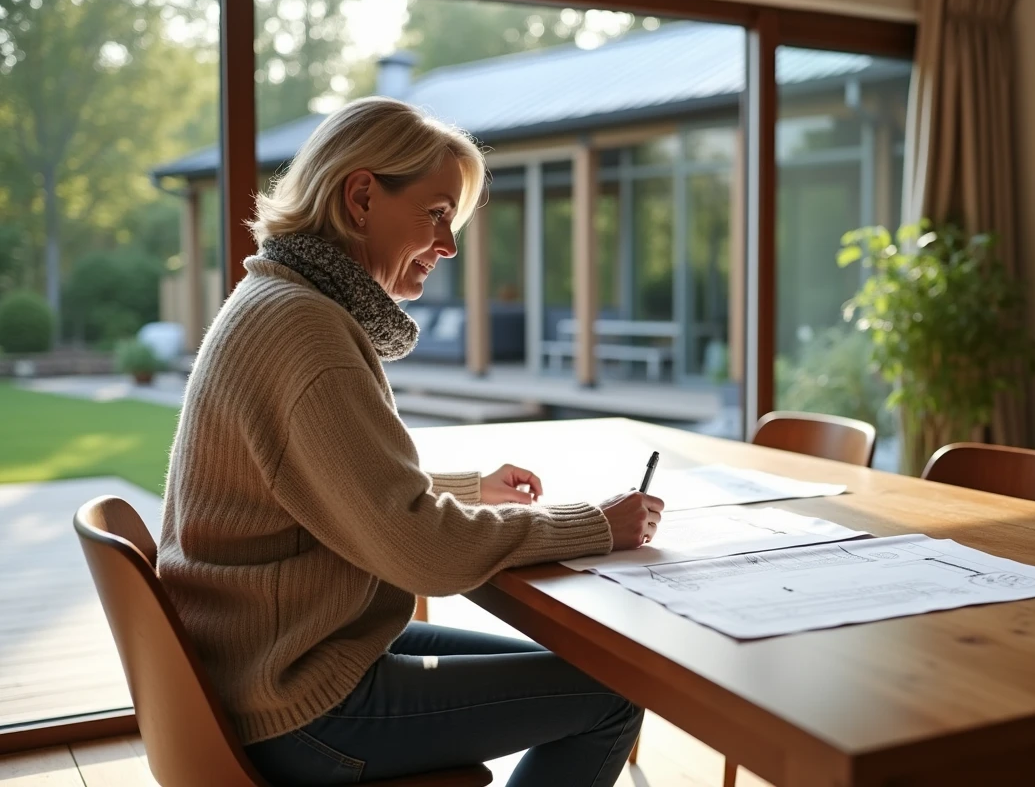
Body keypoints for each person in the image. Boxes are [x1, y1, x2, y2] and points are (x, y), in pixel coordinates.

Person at [157, 96, 664, 787]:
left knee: (591, 672)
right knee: (611, 694)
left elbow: (332, 487)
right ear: (361, 196)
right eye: (435, 215)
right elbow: (422, 553)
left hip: (273, 662)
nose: (449, 245)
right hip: (298, 704)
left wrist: (463, 491)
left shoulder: (276, 299)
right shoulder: (308, 332)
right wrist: (594, 526)